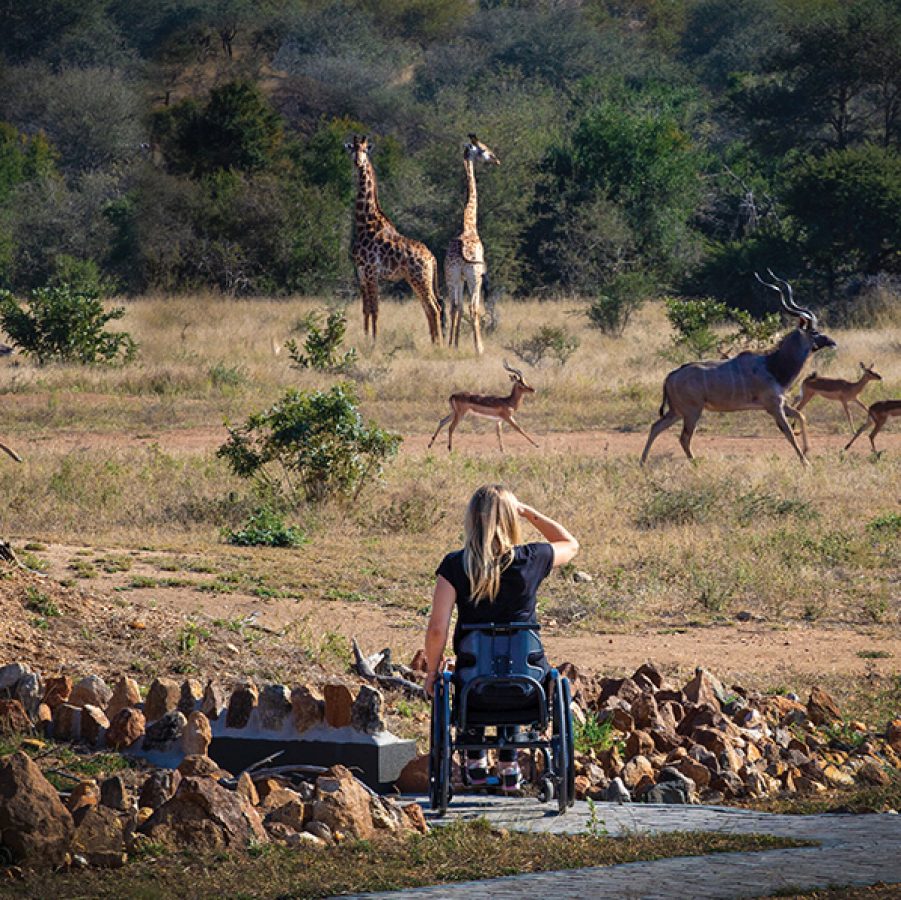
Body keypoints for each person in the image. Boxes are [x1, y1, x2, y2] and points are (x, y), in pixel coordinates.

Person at [424, 484, 579, 792]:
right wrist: (529, 513)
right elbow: (570, 544)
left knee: (472, 668)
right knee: (513, 664)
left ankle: (475, 758)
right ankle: (509, 764)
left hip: (474, 685)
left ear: (472, 519)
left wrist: (430, 672)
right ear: (512, 518)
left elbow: (437, 629)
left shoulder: (455, 565)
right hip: (526, 686)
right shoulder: (532, 558)